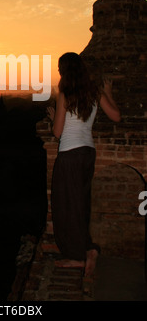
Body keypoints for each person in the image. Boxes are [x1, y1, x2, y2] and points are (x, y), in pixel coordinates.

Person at [47, 52, 120, 277]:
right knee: (81, 203)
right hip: (88, 153)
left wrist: (52, 119)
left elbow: (58, 132)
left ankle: (76, 257)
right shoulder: (95, 91)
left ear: (65, 72)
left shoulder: (65, 94)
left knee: (65, 205)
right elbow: (116, 116)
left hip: (69, 155)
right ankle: (87, 249)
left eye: (60, 70)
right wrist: (108, 92)